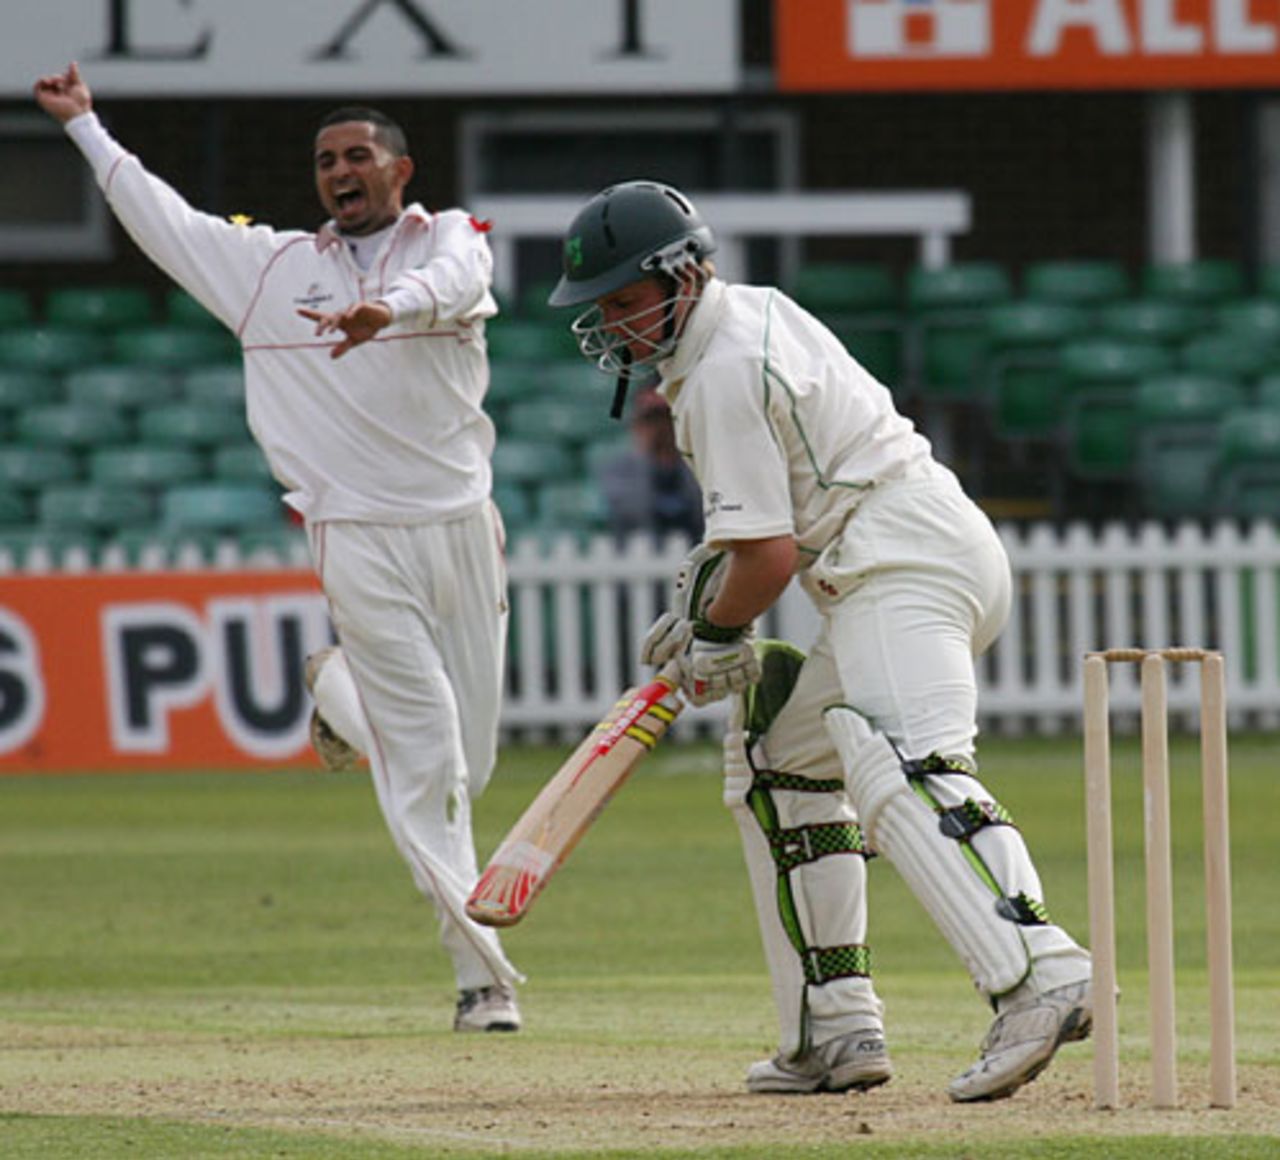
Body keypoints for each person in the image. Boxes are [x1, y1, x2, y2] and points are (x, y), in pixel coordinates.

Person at [547, 180, 1093, 1101]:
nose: (613, 323)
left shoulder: (720, 372)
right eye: (600, 307)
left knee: (901, 764)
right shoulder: (753, 314)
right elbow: (781, 518)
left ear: (680, 277)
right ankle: (833, 1029)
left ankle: (1040, 975)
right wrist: (709, 600)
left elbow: (763, 556)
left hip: (898, 561)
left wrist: (717, 628)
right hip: (909, 546)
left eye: (624, 299)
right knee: (779, 756)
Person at [34, 62, 522, 1032]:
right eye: (323, 160)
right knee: (427, 766)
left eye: (356, 155)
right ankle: (483, 977)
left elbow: (459, 281)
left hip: (461, 520)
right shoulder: (269, 270)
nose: (338, 171)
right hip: (353, 532)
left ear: (398, 168)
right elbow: (163, 219)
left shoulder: (449, 235)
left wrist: (389, 310)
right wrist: (86, 126)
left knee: (474, 755)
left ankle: (338, 687)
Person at [596, 386, 703, 542]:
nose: (662, 428)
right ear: (637, 425)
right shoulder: (619, 471)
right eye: (652, 420)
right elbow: (628, 512)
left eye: (667, 418)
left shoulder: (698, 465)